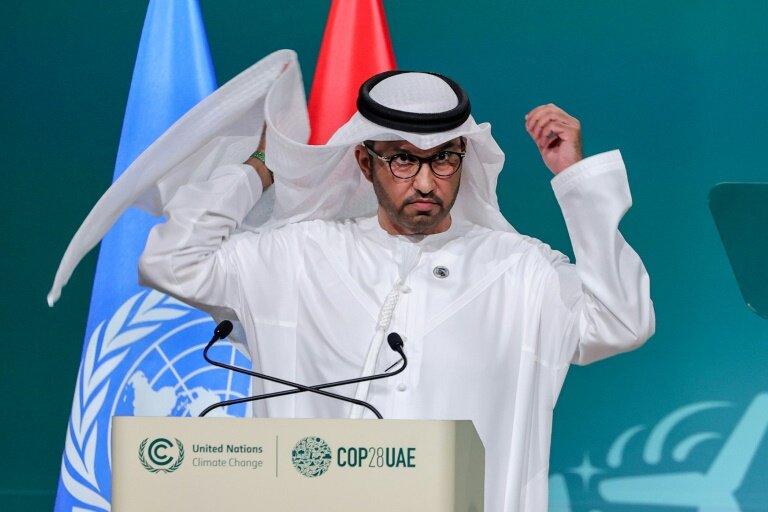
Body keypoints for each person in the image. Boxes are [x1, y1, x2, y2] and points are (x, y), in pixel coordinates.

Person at [138, 69, 654, 511]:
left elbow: (622, 321)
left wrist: (576, 181)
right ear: (365, 163)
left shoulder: (519, 270)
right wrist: (261, 168)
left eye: (443, 158)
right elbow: (172, 261)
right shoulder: (296, 257)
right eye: (403, 160)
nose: (426, 183)